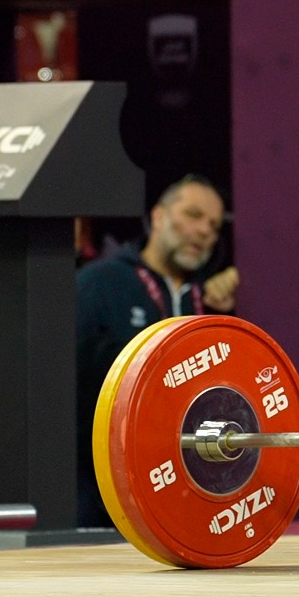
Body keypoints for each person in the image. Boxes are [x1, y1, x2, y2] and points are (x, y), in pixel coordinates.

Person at [75, 173, 239, 526]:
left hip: (187, 491)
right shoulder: (99, 283)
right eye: (193, 215)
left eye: (213, 224)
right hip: (104, 492)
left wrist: (222, 317)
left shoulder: (210, 299)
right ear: (158, 216)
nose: (204, 231)